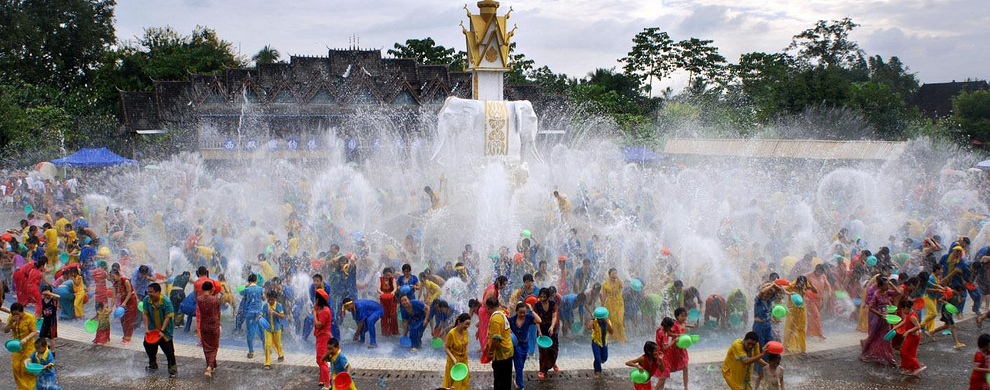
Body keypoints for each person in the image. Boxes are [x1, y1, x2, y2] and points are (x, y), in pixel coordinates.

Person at [142, 283, 177, 378]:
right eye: (148, 292)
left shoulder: (166, 302)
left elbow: (167, 317)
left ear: (158, 292)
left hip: (165, 331)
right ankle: (153, 365)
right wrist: (146, 328)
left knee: (169, 350)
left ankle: (172, 369)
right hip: (152, 329)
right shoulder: (147, 300)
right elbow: (145, 314)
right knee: (148, 345)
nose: (149, 294)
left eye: (151, 292)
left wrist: (162, 331)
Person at [860, 276, 897, 364]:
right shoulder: (876, 294)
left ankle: (887, 355)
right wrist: (880, 315)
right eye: (886, 285)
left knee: (886, 337)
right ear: (880, 286)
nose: (887, 287)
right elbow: (870, 308)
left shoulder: (886, 292)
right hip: (877, 318)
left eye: (888, 285)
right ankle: (864, 354)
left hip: (886, 318)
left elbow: (898, 292)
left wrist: (891, 283)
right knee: (873, 336)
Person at [4, 303, 38, 390]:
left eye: (17, 314)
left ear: (22, 312)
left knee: (25, 368)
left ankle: (30, 387)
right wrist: (11, 322)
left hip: (28, 347)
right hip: (16, 347)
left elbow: (34, 331)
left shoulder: (29, 317)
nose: (16, 315)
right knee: (16, 368)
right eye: (14, 313)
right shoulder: (11, 317)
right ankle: (22, 388)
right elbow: (6, 330)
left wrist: (26, 339)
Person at [509, 302, 541, 389]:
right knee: (518, 364)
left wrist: (531, 310)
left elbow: (539, 320)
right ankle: (520, 385)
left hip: (524, 345)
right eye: (520, 313)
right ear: (516, 312)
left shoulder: (528, 318)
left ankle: (517, 381)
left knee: (521, 365)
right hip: (516, 345)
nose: (523, 314)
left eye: (524, 312)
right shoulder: (511, 319)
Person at [890, 299, 926, 375]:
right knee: (911, 352)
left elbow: (918, 326)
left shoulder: (912, 316)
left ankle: (917, 366)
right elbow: (904, 322)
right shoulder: (909, 313)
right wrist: (895, 327)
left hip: (914, 337)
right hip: (912, 336)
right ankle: (907, 367)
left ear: (906, 308)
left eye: (902, 309)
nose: (902, 311)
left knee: (904, 352)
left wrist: (908, 331)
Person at [486, 297, 514, 390]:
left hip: (501, 354)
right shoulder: (502, 313)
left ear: (488, 307)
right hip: (508, 351)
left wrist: (490, 352)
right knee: (506, 380)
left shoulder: (495, 318)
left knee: (500, 381)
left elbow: (496, 338)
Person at [783, 275, 816, 353]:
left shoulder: (805, 284)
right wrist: (790, 293)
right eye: (800, 284)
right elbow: (782, 290)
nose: (802, 286)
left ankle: (802, 349)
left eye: (803, 285)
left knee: (801, 329)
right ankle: (785, 347)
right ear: (797, 282)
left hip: (801, 310)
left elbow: (815, 291)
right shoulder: (792, 285)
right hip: (791, 310)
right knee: (789, 328)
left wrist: (811, 285)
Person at [197, 279, 221, 378]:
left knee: (207, 347)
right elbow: (218, 313)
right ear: (212, 289)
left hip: (204, 325)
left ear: (202, 289)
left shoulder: (199, 299)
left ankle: (213, 364)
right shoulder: (215, 300)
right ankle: (209, 368)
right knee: (214, 346)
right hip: (214, 325)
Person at [534, 288, 559, 378]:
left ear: (548, 297)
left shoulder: (553, 304)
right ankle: (542, 370)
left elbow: (554, 317)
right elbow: (536, 320)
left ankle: (552, 363)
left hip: (551, 329)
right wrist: (539, 332)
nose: (542, 298)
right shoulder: (536, 306)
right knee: (543, 351)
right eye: (540, 296)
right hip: (541, 329)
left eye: (544, 297)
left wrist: (552, 327)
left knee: (554, 349)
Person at [442, 313, 472, 390]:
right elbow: (446, 348)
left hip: (464, 361)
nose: (467, 326)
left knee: (465, 382)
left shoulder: (465, 331)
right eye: (466, 324)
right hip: (454, 362)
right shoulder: (451, 334)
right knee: (455, 384)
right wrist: (453, 359)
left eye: (469, 324)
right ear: (459, 322)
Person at [111, 268, 138, 344]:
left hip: (131, 300)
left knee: (129, 319)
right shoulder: (115, 284)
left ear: (118, 275)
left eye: (113, 276)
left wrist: (124, 303)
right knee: (123, 318)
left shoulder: (125, 280)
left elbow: (129, 292)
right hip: (124, 300)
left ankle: (128, 337)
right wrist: (110, 308)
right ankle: (125, 335)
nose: (112, 278)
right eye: (111, 277)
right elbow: (113, 297)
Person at [240, 274, 264, 359]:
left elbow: (239, 291)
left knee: (249, 332)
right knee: (260, 330)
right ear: (256, 280)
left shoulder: (247, 289)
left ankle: (251, 351)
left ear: (249, 281)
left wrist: (246, 285)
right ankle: (266, 348)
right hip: (258, 313)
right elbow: (264, 298)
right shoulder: (260, 289)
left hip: (249, 313)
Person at [313, 289, 334, 388]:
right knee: (320, 360)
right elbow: (314, 308)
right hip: (320, 337)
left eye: (316, 298)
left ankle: (327, 385)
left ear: (319, 299)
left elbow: (318, 324)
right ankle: (327, 377)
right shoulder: (319, 308)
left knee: (321, 360)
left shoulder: (325, 311)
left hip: (324, 337)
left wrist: (314, 314)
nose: (314, 299)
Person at [804, 264, 830, 341]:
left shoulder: (823, 276)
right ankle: (820, 334)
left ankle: (809, 333)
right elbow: (803, 286)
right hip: (810, 299)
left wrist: (829, 293)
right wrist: (806, 295)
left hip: (819, 299)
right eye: (821, 272)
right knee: (816, 316)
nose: (822, 274)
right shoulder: (808, 276)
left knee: (812, 317)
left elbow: (827, 285)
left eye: (823, 272)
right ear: (817, 270)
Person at [600, 268, 626, 342]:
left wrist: (617, 277)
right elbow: (604, 296)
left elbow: (623, 285)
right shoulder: (605, 284)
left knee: (620, 321)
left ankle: (622, 338)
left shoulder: (618, 282)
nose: (614, 275)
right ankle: (614, 338)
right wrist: (602, 306)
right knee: (613, 322)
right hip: (610, 305)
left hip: (619, 303)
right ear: (609, 275)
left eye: (615, 273)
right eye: (613, 274)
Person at [263, 289, 286, 369]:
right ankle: (267, 363)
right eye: (269, 299)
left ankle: (280, 354)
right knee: (267, 344)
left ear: (275, 299)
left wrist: (275, 313)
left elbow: (282, 316)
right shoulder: (265, 306)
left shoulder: (278, 305)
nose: (270, 301)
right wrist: (259, 316)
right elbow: (262, 314)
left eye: (272, 299)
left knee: (277, 343)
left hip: (277, 329)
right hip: (268, 329)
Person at [589, 307, 614, 377]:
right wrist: (592, 318)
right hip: (595, 342)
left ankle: (597, 363)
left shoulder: (608, 322)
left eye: (601, 318)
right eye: (599, 318)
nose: (600, 319)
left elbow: (611, 332)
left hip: (604, 342)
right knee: (597, 358)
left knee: (604, 358)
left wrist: (606, 322)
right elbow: (589, 327)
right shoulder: (595, 321)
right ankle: (597, 372)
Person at [378, 267, 399, 337]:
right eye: (386, 275)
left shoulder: (392, 279)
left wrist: (392, 293)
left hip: (391, 299)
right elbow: (378, 289)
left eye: (389, 275)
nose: (387, 277)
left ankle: (394, 332)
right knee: (384, 315)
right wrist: (382, 293)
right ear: (383, 274)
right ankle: (385, 332)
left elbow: (395, 288)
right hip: (383, 300)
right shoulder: (380, 279)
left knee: (393, 315)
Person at [37, 286, 58, 353]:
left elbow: (58, 296)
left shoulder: (53, 299)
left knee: (51, 337)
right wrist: (39, 316)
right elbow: (42, 308)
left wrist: (50, 293)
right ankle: (45, 347)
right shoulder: (43, 300)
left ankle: (53, 351)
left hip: (52, 320)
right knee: (42, 335)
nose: (47, 295)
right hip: (45, 319)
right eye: (45, 293)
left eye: (48, 293)